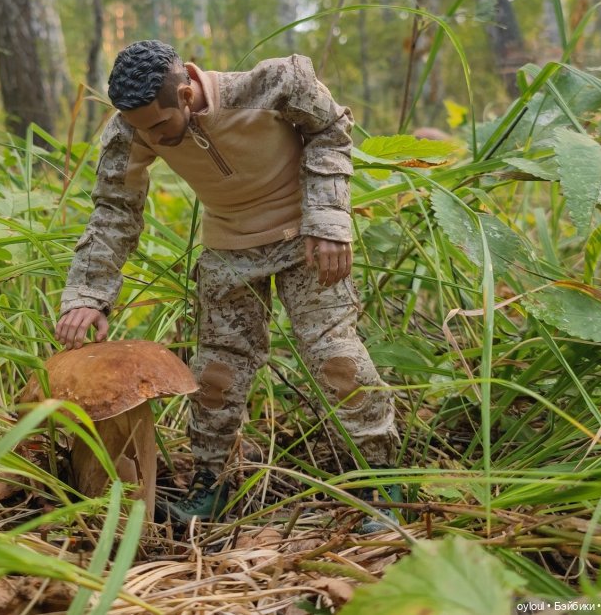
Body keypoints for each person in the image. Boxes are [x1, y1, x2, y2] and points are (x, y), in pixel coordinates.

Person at [55, 40, 400, 528]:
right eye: (140, 128)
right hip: (229, 248)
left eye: (159, 125)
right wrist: (88, 296)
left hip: (305, 237)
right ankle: (210, 486)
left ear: (187, 93)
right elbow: (115, 209)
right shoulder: (131, 130)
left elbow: (330, 127)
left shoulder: (274, 85)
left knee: (335, 357)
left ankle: (387, 482)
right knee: (217, 371)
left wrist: (328, 221)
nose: (151, 136)